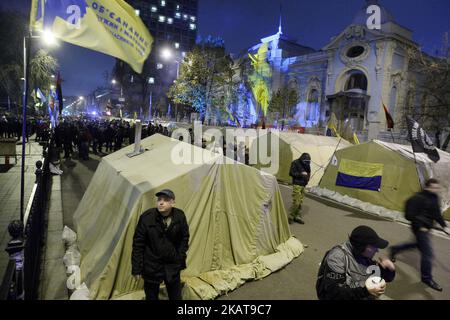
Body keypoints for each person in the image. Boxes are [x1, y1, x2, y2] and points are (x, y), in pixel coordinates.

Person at [389, 178, 447, 291]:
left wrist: (444, 226)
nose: (436, 190)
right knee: (428, 254)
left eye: (437, 188)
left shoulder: (434, 197)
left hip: (427, 228)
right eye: (434, 187)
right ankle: (426, 278)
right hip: (420, 229)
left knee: (416, 245)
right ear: (427, 187)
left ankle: (394, 250)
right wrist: (420, 226)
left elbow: (436, 214)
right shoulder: (417, 198)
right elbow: (409, 215)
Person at [132, 189, 189, 300]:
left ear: (173, 203)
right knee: (151, 296)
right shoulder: (147, 217)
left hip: (172, 264)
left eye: (166, 200)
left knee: (176, 296)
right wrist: (136, 269)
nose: (161, 202)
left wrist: (180, 256)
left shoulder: (179, 216)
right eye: (159, 199)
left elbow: (184, 238)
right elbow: (138, 244)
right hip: (152, 265)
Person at [316, 225, 396, 300]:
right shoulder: (337, 257)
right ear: (361, 247)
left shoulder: (363, 256)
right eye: (373, 247)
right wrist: (365, 291)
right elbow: (332, 294)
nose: (377, 250)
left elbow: (385, 278)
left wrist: (388, 269)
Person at [288, 153, 311, 224]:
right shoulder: (295, 163)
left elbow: (308, 173)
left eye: (308, 162)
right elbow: (291, 173)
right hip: (297, 184)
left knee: (300, 202)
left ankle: (297, 217)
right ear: (302, 159)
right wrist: (301, 174)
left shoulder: (307, 164)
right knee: (296, 202)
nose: (307, 163)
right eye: (306, 161)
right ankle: (290, 216)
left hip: (303, 185)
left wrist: (306, 181)